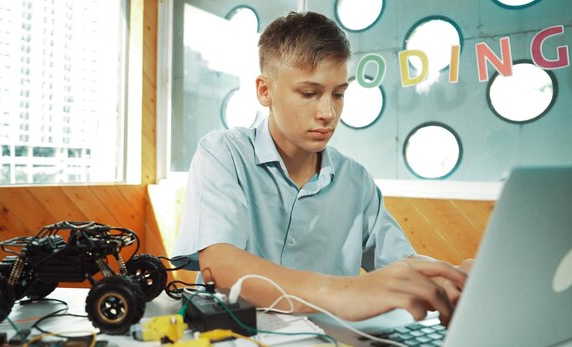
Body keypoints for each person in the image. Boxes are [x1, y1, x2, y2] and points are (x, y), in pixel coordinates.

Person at [173, 11, 470, 326]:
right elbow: (219, 265)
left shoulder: (355, 181)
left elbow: (402, 265)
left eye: (338, 94)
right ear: (264, 91)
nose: (328, 112)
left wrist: (448, 277)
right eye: (309, 93)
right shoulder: (223, 154)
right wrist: (344, 292)